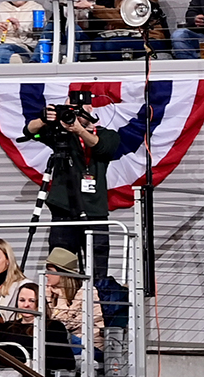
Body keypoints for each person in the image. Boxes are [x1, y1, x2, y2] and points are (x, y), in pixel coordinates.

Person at [22, 97, 118, 284]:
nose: (73, 114)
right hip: (64, 213)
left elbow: (100, 147)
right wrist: (44, 119)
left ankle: (96, 307)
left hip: (95, 213)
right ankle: (61, 307)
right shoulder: (62, 136)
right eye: (70, 109)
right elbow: (29, 131)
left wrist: (79, 130)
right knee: (59, 269)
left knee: (98, 271)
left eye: (78, 109)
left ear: (90, 108)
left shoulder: (109, 135)